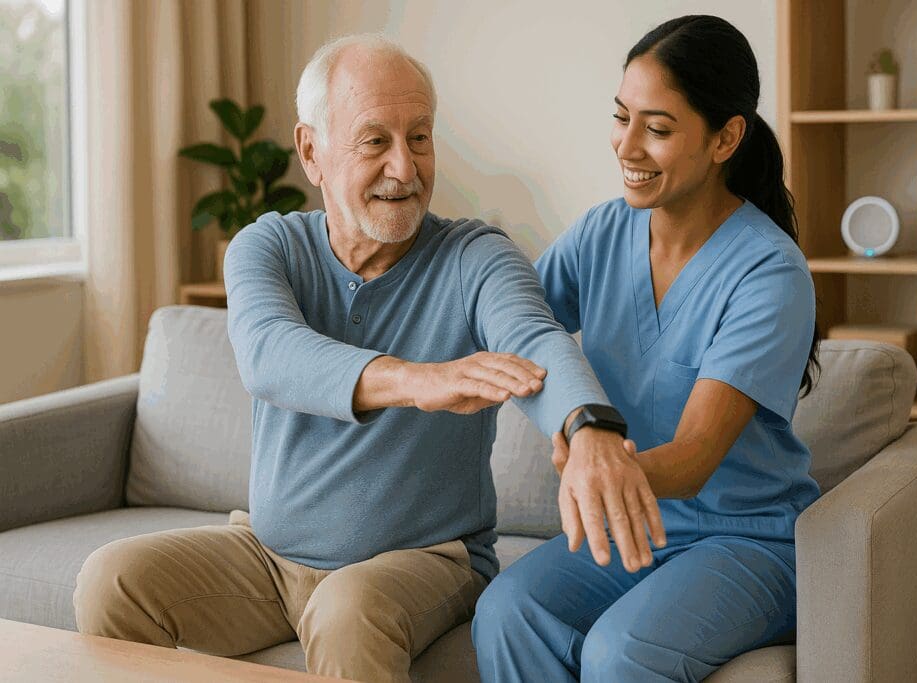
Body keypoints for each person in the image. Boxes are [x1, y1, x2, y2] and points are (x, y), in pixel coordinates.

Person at [72, 34, 663, 683]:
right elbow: (270, 355)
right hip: (270, 556)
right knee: (112, 580)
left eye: (419, 138)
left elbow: (536, 338)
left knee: (347, 607)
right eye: (375, 141)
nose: (405, 170)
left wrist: (589, 429)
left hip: (428, 559)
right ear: (311, 151)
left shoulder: (474, 257)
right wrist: (416, 380)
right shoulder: (267, 246)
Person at [473, 15, 822, 683]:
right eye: (621, 117)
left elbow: (693, 457)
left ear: (725, 138)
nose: (626, 145)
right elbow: (517, 320)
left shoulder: (769, 273)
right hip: (634, 524)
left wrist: (593, 467)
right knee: (506, 610)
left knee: (620, 652)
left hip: (747, 539)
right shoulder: (604, 232)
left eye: (657, 129)